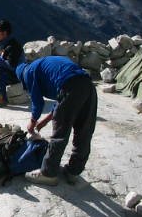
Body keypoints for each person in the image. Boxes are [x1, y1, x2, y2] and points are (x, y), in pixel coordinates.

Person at [15, 56, 97, 186]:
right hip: (87, 85)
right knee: (84, 132)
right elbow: (61, 96)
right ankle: (73, 172)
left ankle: (48, 174)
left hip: (70, 86)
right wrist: (46, 120)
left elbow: (38, 102)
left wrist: (33, 121)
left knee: (60, 134)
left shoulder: (29, 73)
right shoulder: (43, 65)